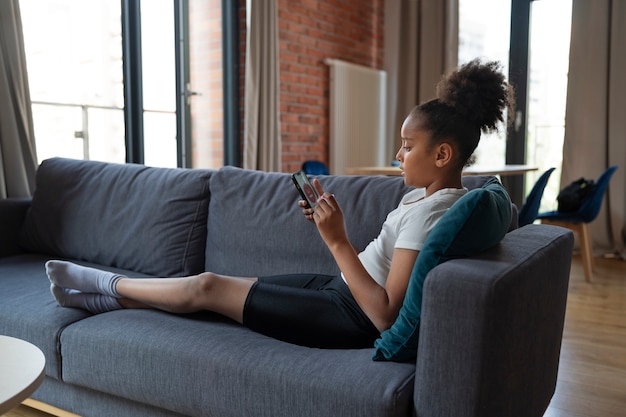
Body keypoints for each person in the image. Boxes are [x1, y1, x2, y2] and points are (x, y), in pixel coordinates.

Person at [46, 59, 514, 349]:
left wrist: (335, 240)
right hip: (339, 291)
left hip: (349, 317)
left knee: (210, 287)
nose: (398, 154)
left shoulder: (434, 212)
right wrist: (334, 239)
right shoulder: (425, 196)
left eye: (407, 146)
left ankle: (106, 285)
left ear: (443, 154)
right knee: (221, 290)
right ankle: (108, 300)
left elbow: (386, 314)